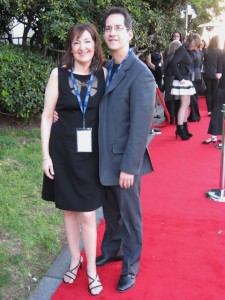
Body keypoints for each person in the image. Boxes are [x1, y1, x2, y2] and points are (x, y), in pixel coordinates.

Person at [41, 23, 106, 296]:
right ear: (71, 46)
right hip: (64, 154)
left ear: (95, 45)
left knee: (88, 215)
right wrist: (45, 155)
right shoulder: (58, 75)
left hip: (92, 157)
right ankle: (73, 259)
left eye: (88, 41)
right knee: (68, 211)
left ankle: (91, 268)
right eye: (77, 42)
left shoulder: (104, 74)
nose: (83, 47)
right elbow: (46, 116)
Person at [96, 7, 156, 292]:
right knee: (110, 212)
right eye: (108, 28)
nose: (112, 33)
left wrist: (129, 167)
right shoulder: (106, 69)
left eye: (118, 28)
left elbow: (141, 127)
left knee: (130, 217)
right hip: (104, 156)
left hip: (125, 161)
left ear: (130, 33)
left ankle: (130, 266)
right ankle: (113, 249)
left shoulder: (140, 74)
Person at [169, 36, 196, 140]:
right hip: (183, 80)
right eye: (195, 43)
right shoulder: (183, 50)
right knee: (184, 105)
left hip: (186, 79)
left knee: (186, 104)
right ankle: (180, 129)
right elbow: (173, 63)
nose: (196, 46)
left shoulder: (186, 50)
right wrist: (180, 78)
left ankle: (183, 128)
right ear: (192, 42)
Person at [202, 42, 225, 147]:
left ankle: (214, 136)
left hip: (222, 88)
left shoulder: (221, 57)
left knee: (217, 111)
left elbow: (218, 75)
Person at [203, 35, 223, 115]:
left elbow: (204, 63)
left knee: (208, 92)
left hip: (207, 73)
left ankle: (209, 110)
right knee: (215, 91)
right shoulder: (220, 51)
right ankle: (214, 109)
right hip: (216, 73)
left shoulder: (207, 51)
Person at [187, 33, 202, 122]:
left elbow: (190, 65)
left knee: (192, 96)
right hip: (197, 74)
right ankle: (195, 115)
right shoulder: (198, 52)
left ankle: (194, 115)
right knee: (194, 96)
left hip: (192, 75)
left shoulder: (192, 53)